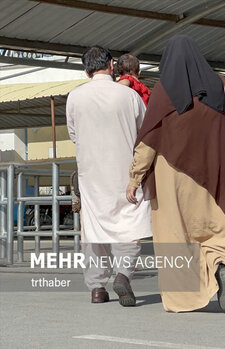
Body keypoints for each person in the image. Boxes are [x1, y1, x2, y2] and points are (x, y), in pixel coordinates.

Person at [126, 35, 225, 312]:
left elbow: (148, 140)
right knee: (213, 227)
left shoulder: (165, 90)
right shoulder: (222, 87)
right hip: (212, 171)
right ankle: (220, 264)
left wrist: (135, 178)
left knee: (175, 235)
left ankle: (184, 298)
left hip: (173, 175)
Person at [66, 45, 152, 306]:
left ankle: (96, 288)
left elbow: (73, 135)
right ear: (111, 64)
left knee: (93, 229)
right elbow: (145, 133)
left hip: (91, 174)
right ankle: (123, 275)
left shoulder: (75, 97)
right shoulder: (129, 96)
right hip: (125, 171)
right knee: (130, 225)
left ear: (86, 71)